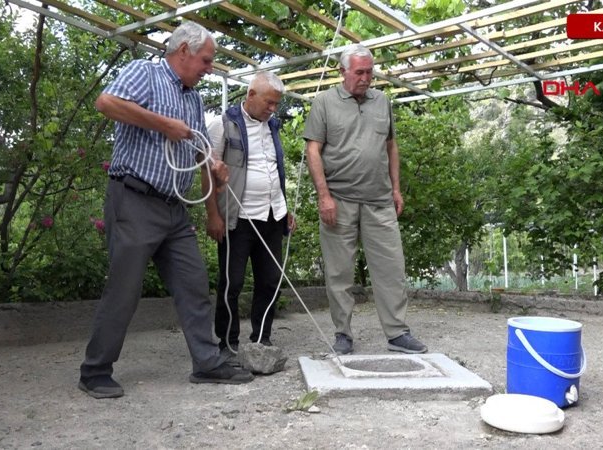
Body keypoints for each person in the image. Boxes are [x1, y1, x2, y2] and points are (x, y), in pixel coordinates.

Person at [78, 21, 254, 399]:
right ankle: (95, 371)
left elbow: (201, 152)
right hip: (134, 199)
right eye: (206, 60)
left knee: (193, 286)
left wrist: (215, 169)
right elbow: (105, 103)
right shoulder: (146, 72)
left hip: (174, 209)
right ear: (184, 51)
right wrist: (162, 124)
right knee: (124, 292)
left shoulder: (193, 99)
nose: (209, 68)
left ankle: (207, 364)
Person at [302, 44, 427, 355]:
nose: (365, 77)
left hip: (379, 200)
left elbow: (391, 146)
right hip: (338, 200)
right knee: (338, 273)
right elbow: (313, 150)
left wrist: (396, 188)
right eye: (359, 72)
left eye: (370, 71)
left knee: (391, 269)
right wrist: (324, 196)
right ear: (344, 72)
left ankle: (397, 333)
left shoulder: (382, 101)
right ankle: (342, 334)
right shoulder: (324, 102)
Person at [203, 71, 296, 357]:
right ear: (251, 95)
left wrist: (284, 208)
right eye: (268, 103)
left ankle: (261, 340)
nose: (272, 109)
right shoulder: (223, 124)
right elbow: (207, 170)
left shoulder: (273, 127)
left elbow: (272, 170)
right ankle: (228, 344)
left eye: (276, 104)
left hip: (272, 216)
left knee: (270, 281)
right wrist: (213, 215)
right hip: (237, 220)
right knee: (232, 282)